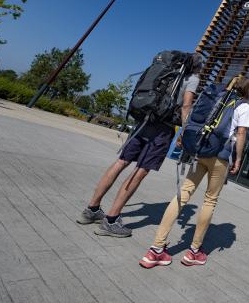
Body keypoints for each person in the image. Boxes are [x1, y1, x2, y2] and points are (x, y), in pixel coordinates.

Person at [76, 53, 204, 237]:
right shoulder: (192, 78)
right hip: (163, 129)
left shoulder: (167, 72)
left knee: (121, 162)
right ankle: (111, 220)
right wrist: (185, 131)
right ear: (196, 66)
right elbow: (186, 106)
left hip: (143, 121)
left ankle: (92, 209)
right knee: (140, 170)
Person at [139, 75, 249, 268]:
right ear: (246, 90)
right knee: (210, 200)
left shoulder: (216, 97)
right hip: (221, 155)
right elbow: (241, 133)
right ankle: (193, 252)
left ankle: (156, 250)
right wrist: (239, 158)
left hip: (201, 151)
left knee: (183, 194)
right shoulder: (243, 106)